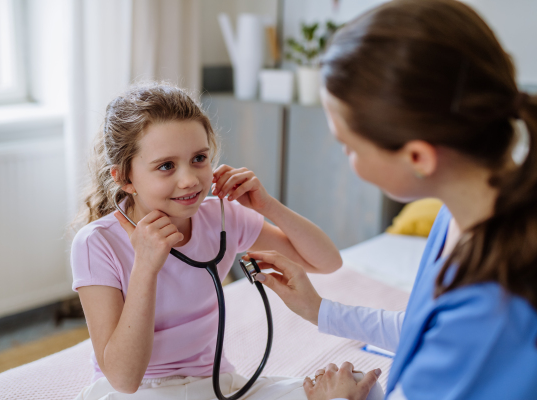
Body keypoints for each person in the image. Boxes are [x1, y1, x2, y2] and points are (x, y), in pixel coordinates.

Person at [247, 1, 537, 399]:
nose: (346, 158)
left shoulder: (494, 312)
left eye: (348, 146)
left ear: (417, 157)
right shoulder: (457, 216)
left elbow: (453, 339)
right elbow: (427, 329)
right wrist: (320, 310)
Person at [69, 82, 347, 399]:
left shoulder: (222, 217)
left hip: (214, 385)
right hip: (142, 391)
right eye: (166, 166)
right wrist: (145, 268)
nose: (189, 180)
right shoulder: (96, 243)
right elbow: (124, 379)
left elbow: (326, 262)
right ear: (125, 178)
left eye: (199, 158)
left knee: (352, 388)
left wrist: (267, 206)